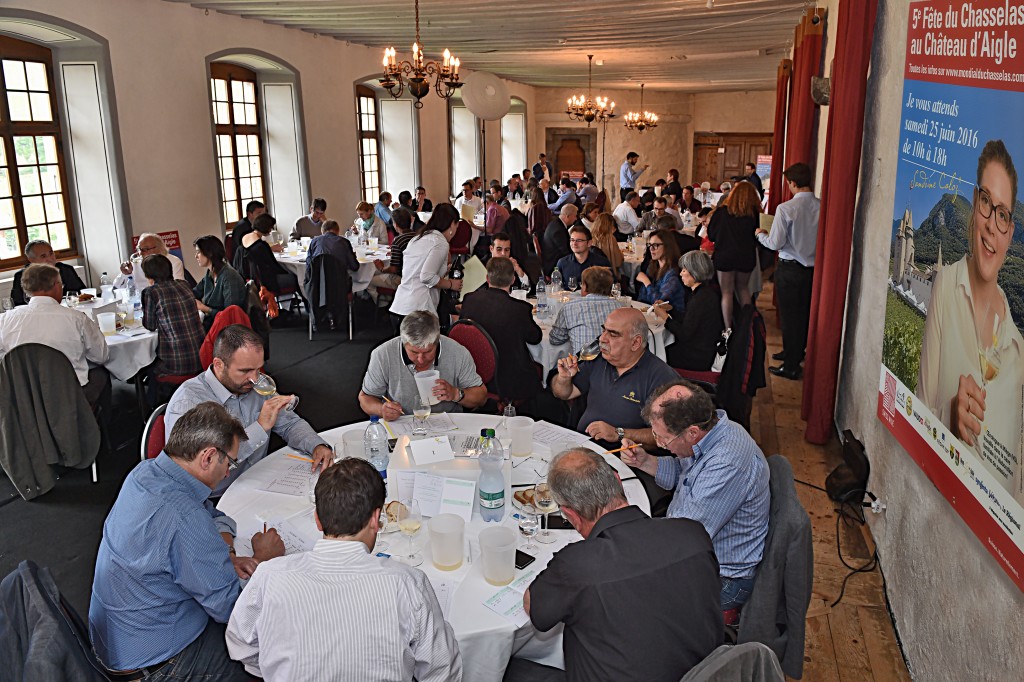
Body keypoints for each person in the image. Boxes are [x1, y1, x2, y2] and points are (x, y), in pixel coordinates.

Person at [89, 402, 285, 680]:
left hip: (120, 640)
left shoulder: (145, 473)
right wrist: (265, 561)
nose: (228, 472)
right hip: (161, 664)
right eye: (229, 462)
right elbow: (235, 610)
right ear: (207, 456)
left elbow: (212, 515)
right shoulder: (184, 518)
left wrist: (226, 553)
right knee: (268, 661)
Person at [225, 457, 461, 682]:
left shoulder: (270, 575)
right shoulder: (407, 583)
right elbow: (441, 671)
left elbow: (240, 645)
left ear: (317, 520)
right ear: (375, 519)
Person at [520, 448, 721, 682]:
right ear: (618, 481)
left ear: (570, 515)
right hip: (705, 672)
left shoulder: (577, 565)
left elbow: (535, 609)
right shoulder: (692, 533)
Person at [918, 140, 1024, 502]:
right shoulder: (946, 285)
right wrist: (950, 415)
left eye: (1004, 214)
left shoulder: (1017, 348)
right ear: (974, 204)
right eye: (986, 204)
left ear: (1010, 233)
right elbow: (919, 409)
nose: (992, 225)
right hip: (940, 505)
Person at [621, 380, 769, 612]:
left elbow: (685, 538)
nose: (658, 443)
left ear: (692, 433)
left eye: (663, 438)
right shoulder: (714, 430)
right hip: (693, 545)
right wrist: (646, 461)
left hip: (723, 579)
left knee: (627, 597)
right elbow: (685, 474)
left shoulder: (726, 463)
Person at [166, 324, 333, 496]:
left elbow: (289, 423)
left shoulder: (258, 386)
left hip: (261, 481)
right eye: (245, 371)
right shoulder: (188, 403)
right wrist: (259, 428)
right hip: (216, 496)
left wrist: (316, 444)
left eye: (258, 369)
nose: (254, 379)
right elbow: (196, 472)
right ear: (219, 364)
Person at [552, 307, 677, 449]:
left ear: (635, 343)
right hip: (582, 445)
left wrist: (619, 433)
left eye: (613, 334)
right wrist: (563, 378)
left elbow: (669, 436)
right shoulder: (598, 359)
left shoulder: (661, 377)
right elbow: (563, 394)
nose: (602, 338)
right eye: (604, 330)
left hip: (622, 457)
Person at [0, 263, 109, 407]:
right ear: (56, 285)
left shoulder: (4, 319)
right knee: (101, 374)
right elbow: (101, 356)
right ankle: (94, 425)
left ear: (26, 291)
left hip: (23, 395)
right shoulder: (76, 318)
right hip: (68, 392)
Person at [756, 162, 819, 381]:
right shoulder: (821, 206)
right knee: (802, 315)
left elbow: (775, 243)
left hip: (790, 270)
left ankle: (791, 366)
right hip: (812, 271)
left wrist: (760, 234)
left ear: (791, 183)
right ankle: (794, 352)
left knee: (791, 318)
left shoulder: (786, 208)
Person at [359, 311, 485, 418]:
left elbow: (481, 397)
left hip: (448, 424)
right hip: (402, 424)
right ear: (403, 343)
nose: (420, 359)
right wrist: (382, 410)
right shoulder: (382, 354)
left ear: (437, 341)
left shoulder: (458, 352)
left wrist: (456, 394)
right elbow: (366, 398)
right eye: (414, 352)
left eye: (428, 352)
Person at [460, 257, 542, 403]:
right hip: (508, 378)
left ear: (487, 278)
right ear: (512, 280)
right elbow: (535, 337)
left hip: (473, 369)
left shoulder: (469, 299)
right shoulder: (519, 309)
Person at [390, 204, 463, 322]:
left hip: (402, 304)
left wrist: (445, 269)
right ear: (451, 224)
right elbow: (426, 277)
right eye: (456, 226)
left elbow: (418, 269)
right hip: (419, 309)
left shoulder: (419, 237)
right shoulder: (440, 242)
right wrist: (451, 284)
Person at [653, 250, 724, 371]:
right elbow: (690, 320)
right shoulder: (705, 293)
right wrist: (671, 310)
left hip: (698, 357)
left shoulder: (700, 299)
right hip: (703, 349)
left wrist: (665, 317)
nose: (680, 274)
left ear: (695, 273)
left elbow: (684, 334)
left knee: (656, 354)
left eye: (684, 270)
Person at [141, 254, 204, 380]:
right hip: (202, 357)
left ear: (148, 275)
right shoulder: (184, 284)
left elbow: (150, 325)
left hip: (176, 363)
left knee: (145, 366)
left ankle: (151, 398)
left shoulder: (151, 292)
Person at [707, 180, 761, 328]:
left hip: (725, 256)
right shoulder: (754, 215)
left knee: (727, 293)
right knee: (743, 290)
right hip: (745, 256)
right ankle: (746, 326)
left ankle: (728, 328)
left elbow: (711, 235)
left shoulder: (722, 212)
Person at [550, 266, 623, 352]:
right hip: (615, 361)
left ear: (584, 286)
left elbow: (555, 339)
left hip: (584, 363)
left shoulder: (570, 307)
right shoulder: (620, 307)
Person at [9, 239, 86, 306]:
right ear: (31, 260)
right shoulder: (22, 276)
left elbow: (82, 294)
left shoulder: (66, 269)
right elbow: (18, 304)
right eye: (43, 256)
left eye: (51, 253)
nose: (50, 259)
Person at [240, 213, 302, 295]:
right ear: (266, 227)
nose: (271, 229)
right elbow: (274, 266)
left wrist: (270, 248)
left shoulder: (245, 238)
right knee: (298, 277)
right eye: (271, 227)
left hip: (250, 278)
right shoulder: (261, 246)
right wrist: (289, 271)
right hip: (266, 282)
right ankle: (305, 304)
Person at [193, 235, 248, 326]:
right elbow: (194, 293)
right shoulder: (211, 273)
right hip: (215, 324)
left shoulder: (229, 277)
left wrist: (204, 308)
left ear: (209, 253)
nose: (196, 256)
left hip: (227, 330)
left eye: (198, 252)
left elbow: (230, 316)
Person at [635, 229, 686, 313]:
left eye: (655, 245)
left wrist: (646, 281)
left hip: (670, 319)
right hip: (652, 314)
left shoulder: (673, 273)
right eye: (650, 245)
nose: (651, 249)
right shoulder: (653, 266)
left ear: (667, 246)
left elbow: (659, 303)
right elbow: (642, 297)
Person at [116, 233, 187, 290]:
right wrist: (126, 274)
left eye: (145, 249)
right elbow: (117, 288)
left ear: (159, 248)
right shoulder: (136, 263)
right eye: (138, 249)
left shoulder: (173, 262)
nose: (140, 253)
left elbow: (177, 288)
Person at [370, 207, 417, 292]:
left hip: (402, 279)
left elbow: (393, 269)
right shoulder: (417, 236)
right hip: (416, 276)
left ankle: (382, 303)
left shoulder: (398, 240)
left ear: (395, 224)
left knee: (369, 280)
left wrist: (382, 268)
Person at [543, 204, 577, 276]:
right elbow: (565, 252)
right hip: (553, 266)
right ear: (568, 216)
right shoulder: (558, 230)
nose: (576, 219)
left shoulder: (556, 223)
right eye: (575, 216)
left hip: (553, 259)